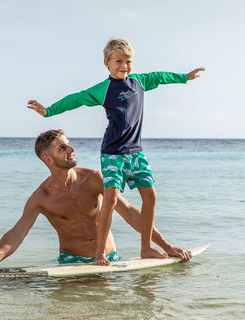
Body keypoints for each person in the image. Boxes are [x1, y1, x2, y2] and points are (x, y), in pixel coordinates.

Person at [27, 37, 205, 265]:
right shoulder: (104, 89)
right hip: (112, 152)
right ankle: (100, 253)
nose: (124, 66)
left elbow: (160, 77)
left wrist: (184, 78)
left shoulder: (139, 82)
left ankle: (146, 248)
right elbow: (78, 98)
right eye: (118, 61)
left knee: (150, 197)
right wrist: (49, 111)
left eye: (128, 61)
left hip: (136, 152)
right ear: (107, 63)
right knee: (110, 199)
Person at [0, 129, 191, 270]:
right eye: (63, 148)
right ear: (48, 159)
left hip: (108, 259)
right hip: (71, 263)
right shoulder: (41, 197)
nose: (72, 149)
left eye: (69, 144)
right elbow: (16, 234)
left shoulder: (94, 179)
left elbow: (131, 214)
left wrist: (166, 245)